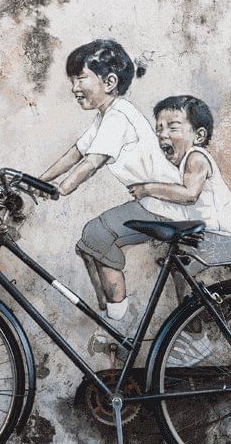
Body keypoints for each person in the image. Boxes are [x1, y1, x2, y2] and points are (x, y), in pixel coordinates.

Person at [38, 40, 186, 329]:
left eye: (80, 78)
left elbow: (93, 162)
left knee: (96, 234)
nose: (73, 87)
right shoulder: (106, 115)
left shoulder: (119, 115)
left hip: (163, 204)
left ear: (109, 82)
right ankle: (109, 312)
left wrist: (61, 189)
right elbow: (75, 153)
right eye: (72, 80)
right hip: (152, 203)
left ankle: (119, 320)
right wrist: (38, 181)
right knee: (88, 244)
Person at [129, 95, 231, 300]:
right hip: (213, 235)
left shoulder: (196, 157)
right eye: (159, 128)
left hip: (228, 238)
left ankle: (194, 329)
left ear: (199, 136)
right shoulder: (181, 163)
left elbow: (189, 194)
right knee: (180, 270)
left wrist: (148, 189)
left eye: (173, 127)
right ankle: (192, 325)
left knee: (185, 272)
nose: (162, 135)